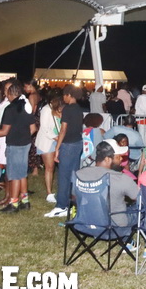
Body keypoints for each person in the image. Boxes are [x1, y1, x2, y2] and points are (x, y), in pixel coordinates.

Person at [0, 81, 38, 212]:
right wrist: (24, 137)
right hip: (25, 144)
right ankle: (25, 201)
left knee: (14, 175)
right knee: (22, 174)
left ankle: (13, 204)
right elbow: (33, 128)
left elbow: (4, 131)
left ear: (9, 94)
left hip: (15, 145)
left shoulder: (10, 109)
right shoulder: (26, 105)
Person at [74, 141, 139, 228]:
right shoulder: (122, 179)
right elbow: (142, 198)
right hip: (114, 227)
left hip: (85, 223)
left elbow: (74, 197)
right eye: (118, 157)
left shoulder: (79, 175)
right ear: (107, 159)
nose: (121, 159)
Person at [46, 86, 85, 218]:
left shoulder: (67, 109)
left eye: (64, 95)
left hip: (68, 145)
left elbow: (63, 130)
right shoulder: (79, 109)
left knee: (63, 176)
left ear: (69, 95)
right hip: (78, 143)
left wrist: (57, 148)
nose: (63, 98)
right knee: (73, 175)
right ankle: (72, 203)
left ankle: (61, 206)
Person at [35, 94, 62, 204]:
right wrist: (57, 138)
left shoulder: (59, 110)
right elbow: (45, 128)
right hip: (47, 141)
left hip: (57, 140)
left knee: (54, 167)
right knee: (49, 167)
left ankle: (56, 190)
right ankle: (49, 193)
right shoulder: (46, 110)